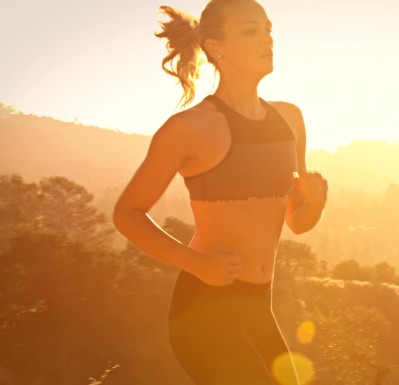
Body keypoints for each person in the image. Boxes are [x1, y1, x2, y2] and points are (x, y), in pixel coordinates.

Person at [112, 1, 328, 384]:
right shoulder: (190, 128)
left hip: (260, 306)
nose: (267, 39)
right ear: (216, 47)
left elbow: (297, 222)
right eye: (251, 30)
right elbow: (127, 213)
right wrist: (193, 262)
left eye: (268, 28)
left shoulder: (290, 119)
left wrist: (316, 203)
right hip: (203, 311)